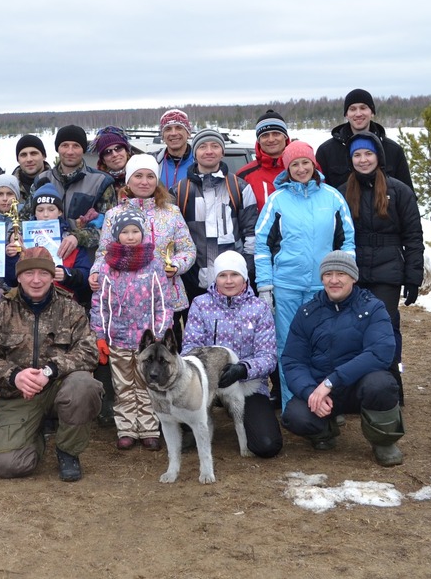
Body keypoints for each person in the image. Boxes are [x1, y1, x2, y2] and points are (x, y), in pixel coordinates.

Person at [0, 247, 102, 481]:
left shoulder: (70, 308)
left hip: (59, 389)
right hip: (17, 394)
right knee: (7, 466)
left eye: (43, 273)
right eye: (29, 273)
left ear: (52, 275)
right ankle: (34, 437)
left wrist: (50, 371)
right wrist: (14, 376)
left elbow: (89, 352)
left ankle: (68, 451)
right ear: (19, 276)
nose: (36, 280)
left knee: (85, 385)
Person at [254, 140, 355, 409]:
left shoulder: (332, 197)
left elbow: (347, 241)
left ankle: (324, 403)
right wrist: (265, 285)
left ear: (314, 165)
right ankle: (293, 405)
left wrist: (345, 277)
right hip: (286, 286)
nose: (301, 169)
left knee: (325, 345)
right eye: (294, 164)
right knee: (289, 346)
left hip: (324, 287)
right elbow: (262, 244)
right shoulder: (277, 200)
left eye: (305, 163)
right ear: (287, 169)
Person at [281, 252, 405, 467]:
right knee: (294, 415)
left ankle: (383, 441)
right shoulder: (307, 313)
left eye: (341, 274)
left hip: (359, 387)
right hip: (322, 389)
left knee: (382, 384)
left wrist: (331, 381)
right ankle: (325, 431)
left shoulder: (373, 308)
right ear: (322, 279)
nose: (334, 280)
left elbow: (380, 352)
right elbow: (293, 361)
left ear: (353, 278)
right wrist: (311, 391)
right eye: (328, 274)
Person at [337, 132, 424, 401]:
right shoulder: (341, 193)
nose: (363, 160)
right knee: (351, 328)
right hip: (354, 270)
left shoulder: (399, 191)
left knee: (384, 326)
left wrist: (413, 277)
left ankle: (390, 386)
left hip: (388, 272)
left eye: (368, 154)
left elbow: (413, 236)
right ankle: (355, 387)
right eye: (357, 155)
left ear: (378, 157)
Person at [182, 251, 283, 458]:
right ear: (215, 277)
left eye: (234, 275)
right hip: (206, 382)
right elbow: (189, 348)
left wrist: (243, 369)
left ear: (244, 277)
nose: (228, 281)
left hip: (246, 384)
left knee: (267, 445)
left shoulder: (259, 308)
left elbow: (269, 357)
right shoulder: (200, 304)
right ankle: (197, 420)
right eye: (222, 275)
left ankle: (242, 416)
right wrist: (208, 372)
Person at [90, 208, 171, 451]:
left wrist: (159, 333)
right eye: (125, 232)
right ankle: (126, 428)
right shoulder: (107, 267)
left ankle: (149, 428)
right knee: (123, 386)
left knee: (149, 385)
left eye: (135, 231)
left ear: (143, 234)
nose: (131, 236)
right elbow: (99, 304)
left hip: (147, 342)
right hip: (118, 339)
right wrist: (100, 335)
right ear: (116, 236)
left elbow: (163, 302)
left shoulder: (153, 264)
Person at [92, 155, 196, 326]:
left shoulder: (172, 212)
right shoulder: (114, 214)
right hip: (127, 299)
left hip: (167, 297)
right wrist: (96, 272)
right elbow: (104, 252)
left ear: (156, 180)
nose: (144, 182)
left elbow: (188, 250)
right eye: (138, 176)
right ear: (128, 180)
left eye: (150, 176)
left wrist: (175, 266)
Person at [173, 127, 259, 302]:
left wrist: (245, 270)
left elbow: (251, 235)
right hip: (194, 283)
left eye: (215, 146)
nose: (209, 151)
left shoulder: (240, 188)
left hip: (233, 282)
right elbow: (173, 239)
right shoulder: (179, 191)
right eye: (203, 146)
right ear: (195, 153)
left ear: (222, 152)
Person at [32, 125, 116, 258]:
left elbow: (109, 228)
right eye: (65, 145)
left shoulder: (101, 182)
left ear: (83, 149)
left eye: (76, 146)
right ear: (57, 148)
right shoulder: (41, 180)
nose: (70, 151)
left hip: (86, 262)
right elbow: (25, 218)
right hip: (44, 260)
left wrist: (77, 237)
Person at [317, 89, 414, 191]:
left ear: (372, 112)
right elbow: (319, 194)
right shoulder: (327, 151)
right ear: (346, 114)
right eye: (353, 109)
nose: (358, 114)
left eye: (363, 108)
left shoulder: (392, 150)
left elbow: (407, 195)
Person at [30, 183, 92, 306]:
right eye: (40, 210)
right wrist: (11, 257)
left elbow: (86, 276)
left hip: (65, 304)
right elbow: (12, 279)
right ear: (34, 213)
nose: (46, 215)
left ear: (59, 212)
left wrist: (67, 275)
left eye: (51, 209)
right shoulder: (22, 238)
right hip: (30, 302)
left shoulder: (71, 240)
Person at [236, 109, 290, 211]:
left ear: (285, 136)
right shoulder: (244, 175)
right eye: (265, 135)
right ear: (259, 140)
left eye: (276, 133)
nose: (271, 139)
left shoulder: (304, 169)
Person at [92, 126, 136, 199]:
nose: (115, 154)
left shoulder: (142, 172)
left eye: (118, 148)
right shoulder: (97, 182)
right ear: (103, 160)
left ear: (127, 151)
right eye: (108, 152)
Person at [154, 109, 194, 189]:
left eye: (179, 128)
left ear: (188, 133)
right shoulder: (154, 161)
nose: (173, 133)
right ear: (163, 136)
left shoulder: (200, 161)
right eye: (168, 129)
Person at [12, 134, 50, 209]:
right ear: (18, 160)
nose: (29, 159)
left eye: (33, 154)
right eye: (23, 155)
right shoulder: (10, 186)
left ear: (44, 156)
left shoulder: (57, 183)